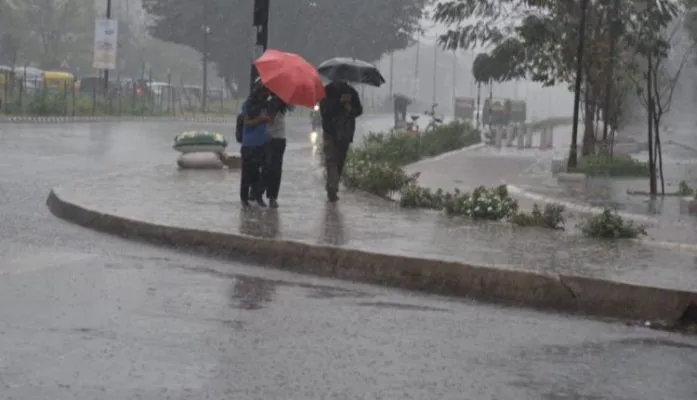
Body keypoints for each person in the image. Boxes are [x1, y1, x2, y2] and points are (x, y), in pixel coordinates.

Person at [319, 78, 363, 202]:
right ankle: (333, 187)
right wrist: (339, 102)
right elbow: (324, 111)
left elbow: (359, 110)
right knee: (331, 159)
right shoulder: (326, 91)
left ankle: (332, 186)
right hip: (330, 131)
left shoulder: (351, 92)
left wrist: (350, 109)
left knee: (340, 161)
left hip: (345, 132)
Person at [240, 84, 272, 207]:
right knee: (248, 172)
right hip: (249, 144)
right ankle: (245, 199)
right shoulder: (248, 104)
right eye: (266, 92)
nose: (267, 95)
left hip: (262, 143)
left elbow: (270, 120)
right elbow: (247, 122)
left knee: (264, 171)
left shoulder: (266, 105)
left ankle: (257, 196)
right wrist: (260, 119)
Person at [264, 95, 290, 208]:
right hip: (275, 139)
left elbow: (270, 121)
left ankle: (271, 196)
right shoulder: (276, 102)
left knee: (271, 168)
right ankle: (270, 196)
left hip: (274, 139)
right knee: (272, 168)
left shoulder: (277, 103)